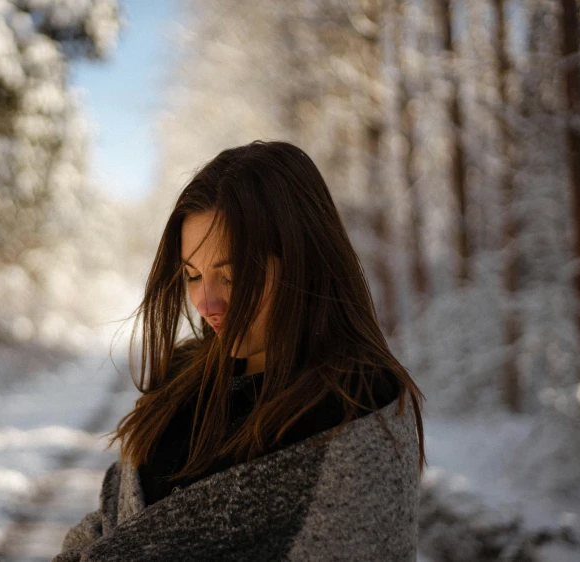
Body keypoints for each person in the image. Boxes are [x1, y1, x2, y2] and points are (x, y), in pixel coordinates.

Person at [53, 140, 426, 562]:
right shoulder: (181, 380)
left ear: (302, 262)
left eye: (231, 277)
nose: (206, 304)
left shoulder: (356, 410)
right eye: (193, 276)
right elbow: (114, 525)